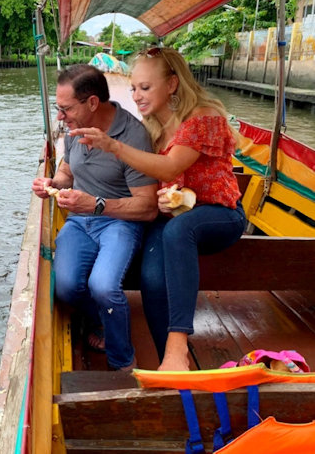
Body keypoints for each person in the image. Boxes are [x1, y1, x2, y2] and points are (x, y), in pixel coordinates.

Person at [70, 47, 246, 371]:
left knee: (180, 229)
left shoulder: (202, 116)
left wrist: (114, 146)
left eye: (145, 87)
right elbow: (160, 181)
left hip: (220, 214)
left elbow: (168, 168)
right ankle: (169, 358)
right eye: (134, 87)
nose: (136, 96)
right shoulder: (150, 128)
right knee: (151, 278)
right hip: (175, 218)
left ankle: (178, 348)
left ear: (172, 85)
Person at [32, 64, 158, 371]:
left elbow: (147, 207)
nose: (60, 117)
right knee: (64, 286)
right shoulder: (75, 128)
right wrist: (54, 184)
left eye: (65, 109)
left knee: (103, 286)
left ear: (91, 103)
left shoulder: (133, 136)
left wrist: (96, 205)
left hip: (118, 221)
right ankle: (101, 318)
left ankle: (123, 362)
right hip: (80, 220)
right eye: (58, 109)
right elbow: (67, 169)